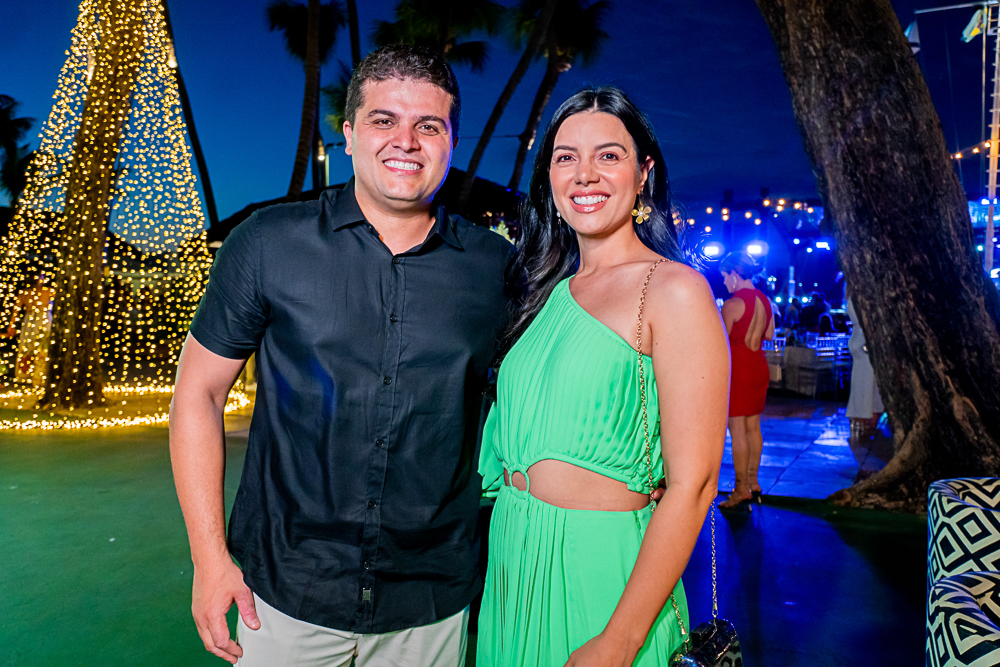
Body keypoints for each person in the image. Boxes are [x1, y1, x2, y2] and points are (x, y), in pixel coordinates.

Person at [169, 45, 512, 666]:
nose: (406, 141)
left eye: (428, 125)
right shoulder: (267, 244)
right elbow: (199, 393)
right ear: (349, 135)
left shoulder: (496, 269)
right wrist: (209, 557)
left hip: (431, 597)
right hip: (285, 589)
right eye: (384, 120)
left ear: (451, 143)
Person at [477, 87, 729, 666]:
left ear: (643, 174)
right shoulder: (545, 293)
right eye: (566, 157)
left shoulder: (674, 290)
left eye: (608, 155)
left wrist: (619, 640)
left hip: (600, 570)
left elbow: (693, 485)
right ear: (549, 177)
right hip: (512, 558)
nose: (584, 174)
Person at [718, 251, 774, 509]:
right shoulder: (764, 299)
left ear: (734, 273)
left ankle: (740, 489)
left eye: (724, 276)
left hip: (738, 370)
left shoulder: (732, 304)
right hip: (758, 365)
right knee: (754, 427)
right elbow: (769, 335)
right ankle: (753, 481)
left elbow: (720, 342)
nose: (724, 282)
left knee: (737, 430)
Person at [4, 273, 54, 388]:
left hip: (39, 319)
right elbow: (16, 308)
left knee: (40, 347)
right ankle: (31, 376)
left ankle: (36, 376)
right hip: (35, 319)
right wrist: (11, 325)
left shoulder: (48, 291)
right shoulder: (27, 292)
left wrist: (12, 325)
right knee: (32, 347)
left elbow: (16, 309)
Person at [846, 293, 884, 438]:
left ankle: (864, 415)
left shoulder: (852, 297)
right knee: (868, 381)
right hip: (864, 340)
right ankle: (867, 415)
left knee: (863, 381)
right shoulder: (862, 296)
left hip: (858, 339)